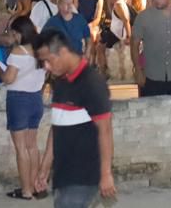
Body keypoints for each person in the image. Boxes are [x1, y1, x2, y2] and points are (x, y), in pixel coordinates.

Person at [34, 28, 116, 208]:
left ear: (62, 52)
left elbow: (105, 129)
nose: (46, 66)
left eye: (48, 60)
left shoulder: (91, 82)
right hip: (64, 175)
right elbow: (57, 126)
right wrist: (44, 169)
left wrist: (106, 173)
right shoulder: (61, 82)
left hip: (84, 176)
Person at [0, 15, 48, 200]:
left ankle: (25, 190)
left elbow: (9, 78)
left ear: (18, 33)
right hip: (35, 99)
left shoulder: (18, 51)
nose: (12, 37)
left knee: (21, 148)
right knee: (32, 146)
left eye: (13, 33)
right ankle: (33, 186)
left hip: (19, 100)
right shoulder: (41, 49)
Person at [99, 0, 133, 81]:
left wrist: (129, 36)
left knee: (100, 47)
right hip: (116, 32)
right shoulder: (120, 3)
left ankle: (103, 71)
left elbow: (126, 20)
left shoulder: (118, 5)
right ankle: (106, 71)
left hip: (117, 33)